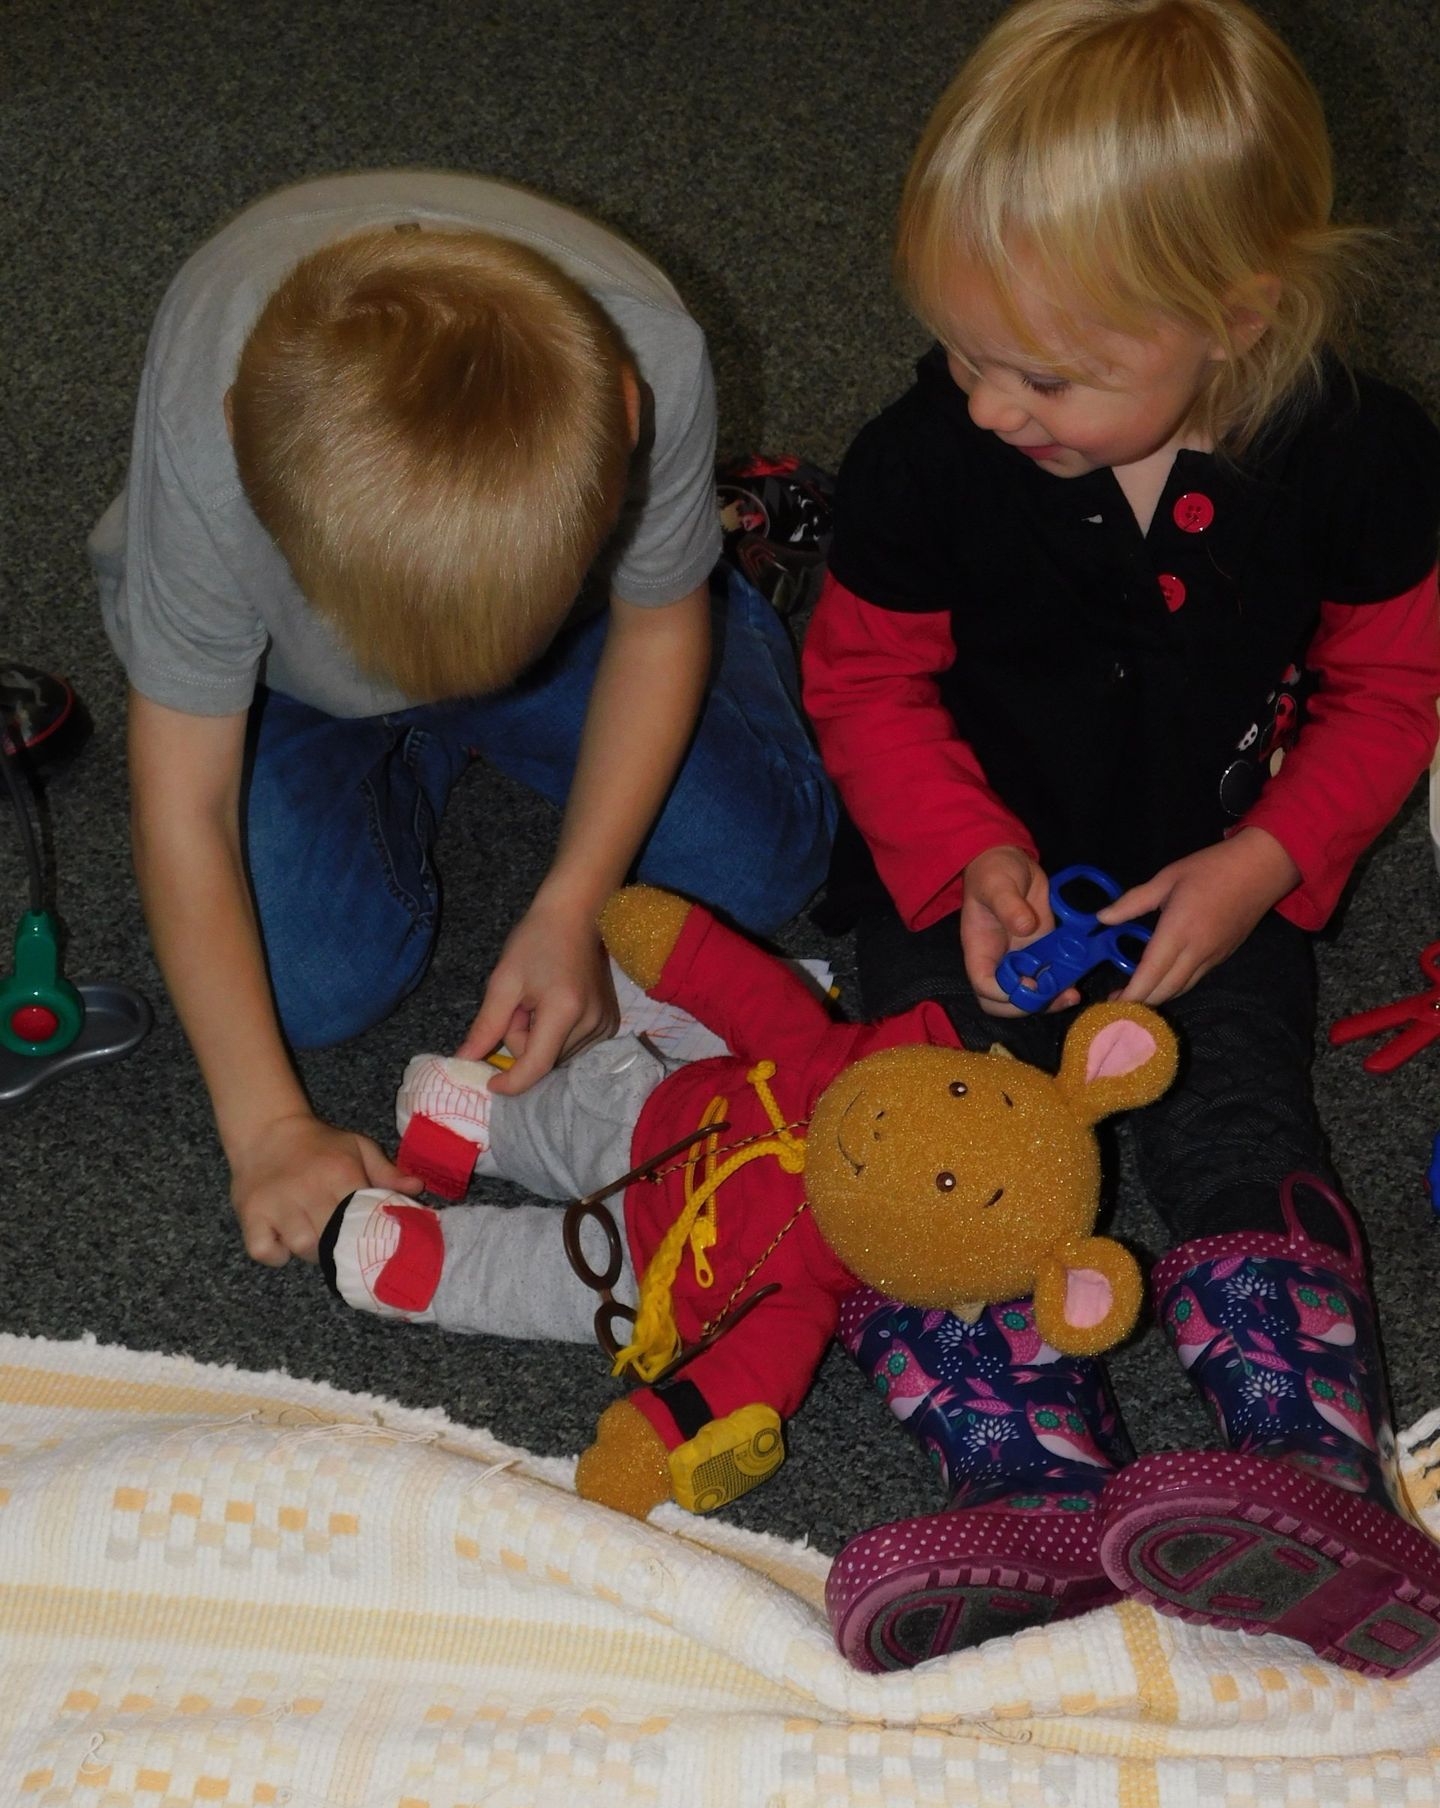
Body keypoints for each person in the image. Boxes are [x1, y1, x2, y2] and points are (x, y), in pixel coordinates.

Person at [802, 0, 1440, 1677]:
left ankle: (1302, 1465)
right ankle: (1020, 1468)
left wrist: (1268, 863)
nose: (993, 404)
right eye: (962, 354)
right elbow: (864, 684)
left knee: (1231, 1099)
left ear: (1237, 315)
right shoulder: (924, 465)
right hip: (969, 876)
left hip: (1222, 879)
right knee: (926, 1109)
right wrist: (967, 853)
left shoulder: (1362, 462)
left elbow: (1391, 698)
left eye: (1050, 374)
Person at [90, 171, 835, 1269]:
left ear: (623, 420)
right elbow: (181, 801)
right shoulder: (217, 445)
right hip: (293, 677)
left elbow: (653, 631)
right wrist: (266, 1131)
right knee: (303, 991)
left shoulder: (649, 363)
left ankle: (738, 560)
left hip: (575, 630)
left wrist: (578, 901)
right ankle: (418, 742)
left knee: (762, 869)